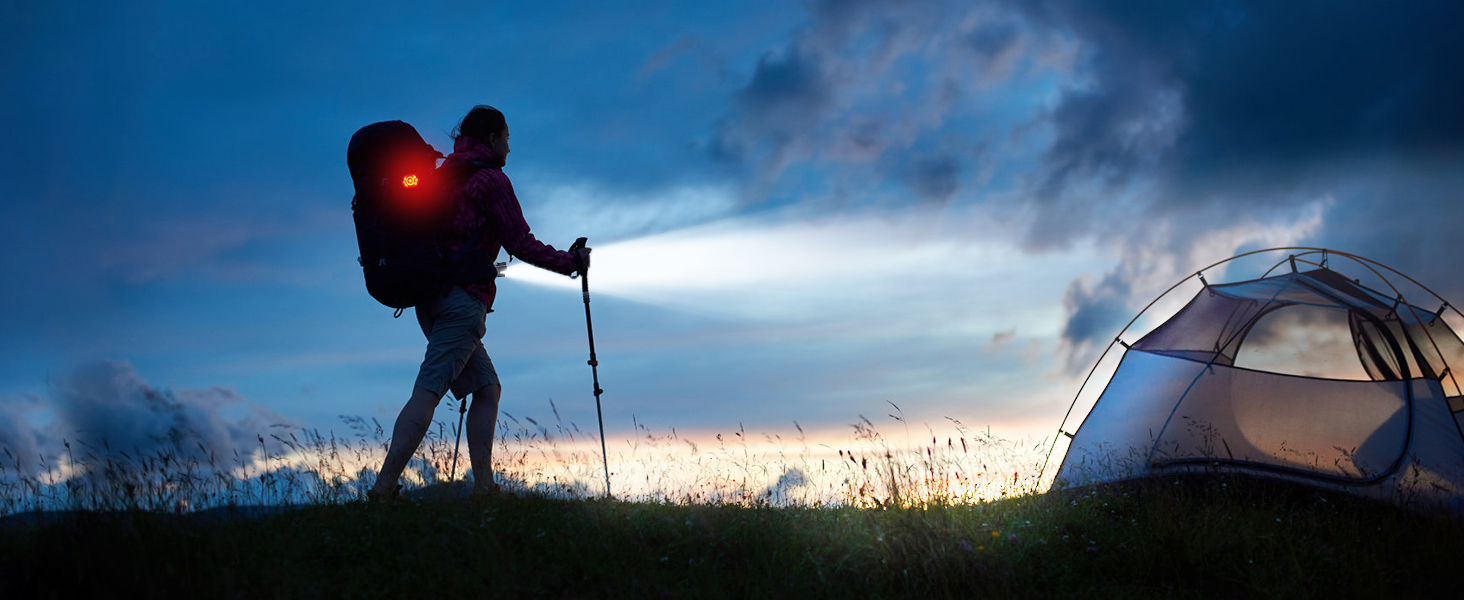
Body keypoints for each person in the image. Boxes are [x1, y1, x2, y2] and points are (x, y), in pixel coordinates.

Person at [370, 105, 590, 500]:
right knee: (428, 392)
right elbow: (521, 243)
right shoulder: (490, 180)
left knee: (487, 388)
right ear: (492, 139)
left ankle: (485, 488)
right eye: (507, 137)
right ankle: (383, 488)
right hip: (463, 303)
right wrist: (571, 263)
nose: (509, 146)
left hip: (430, 301)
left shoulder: (443, 175)